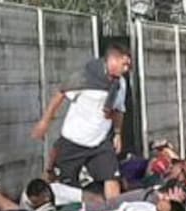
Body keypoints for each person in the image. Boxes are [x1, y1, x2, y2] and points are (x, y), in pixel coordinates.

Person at [33, 44, 133, 202]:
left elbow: (119, 109)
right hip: (74, 140)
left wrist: (118, 133)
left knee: (112, 179)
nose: (126, 69)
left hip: (100, 142)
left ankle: (114, 210)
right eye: (124, 64)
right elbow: (60, 93)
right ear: (112, 60)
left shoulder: (120, 83)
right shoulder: (84, 77)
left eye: (128, 65)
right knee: (66, 187)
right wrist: (45, 121)